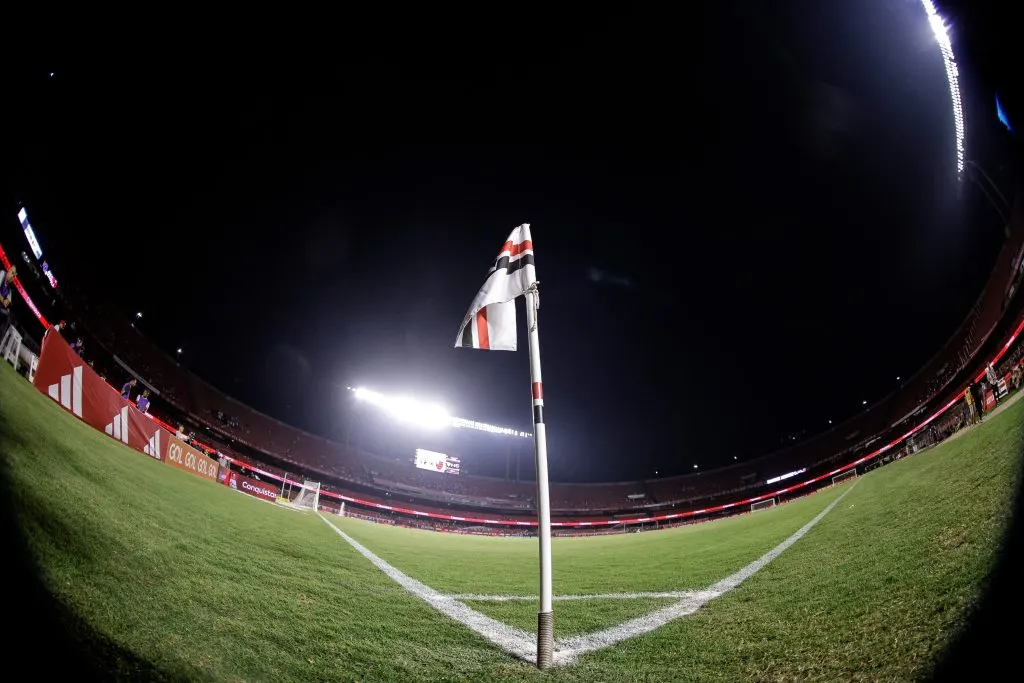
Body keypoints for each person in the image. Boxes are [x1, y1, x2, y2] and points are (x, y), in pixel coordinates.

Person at [0, 265, 16, 340]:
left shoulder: (9, 291)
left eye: (14, 276)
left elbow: (7, 304)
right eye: (12, 273)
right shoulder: (2, 274)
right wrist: (3, 300)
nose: (12, 276)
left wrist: (5, 302)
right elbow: (4, 302)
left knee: (8, 316)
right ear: (8, 270)